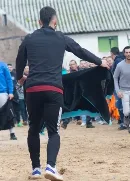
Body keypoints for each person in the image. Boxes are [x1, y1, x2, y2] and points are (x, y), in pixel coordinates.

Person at [15, 6, 110, 180]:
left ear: (39, 22)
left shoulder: (29, 39)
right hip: (53, 89)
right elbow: (80, 51)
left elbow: (19, 59)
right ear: (54, 20)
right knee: (53, 131)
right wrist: (99, 61)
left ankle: (36, 169)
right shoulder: (61, 38)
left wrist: (20, 77)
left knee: (34, 129)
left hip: (33, 89)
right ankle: (50, 167)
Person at [0, 61, 17, 140]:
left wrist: (10, 92)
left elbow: (9, 79)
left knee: (8, 113)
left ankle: (12, 133)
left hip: (3, 93)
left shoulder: (3, 65)